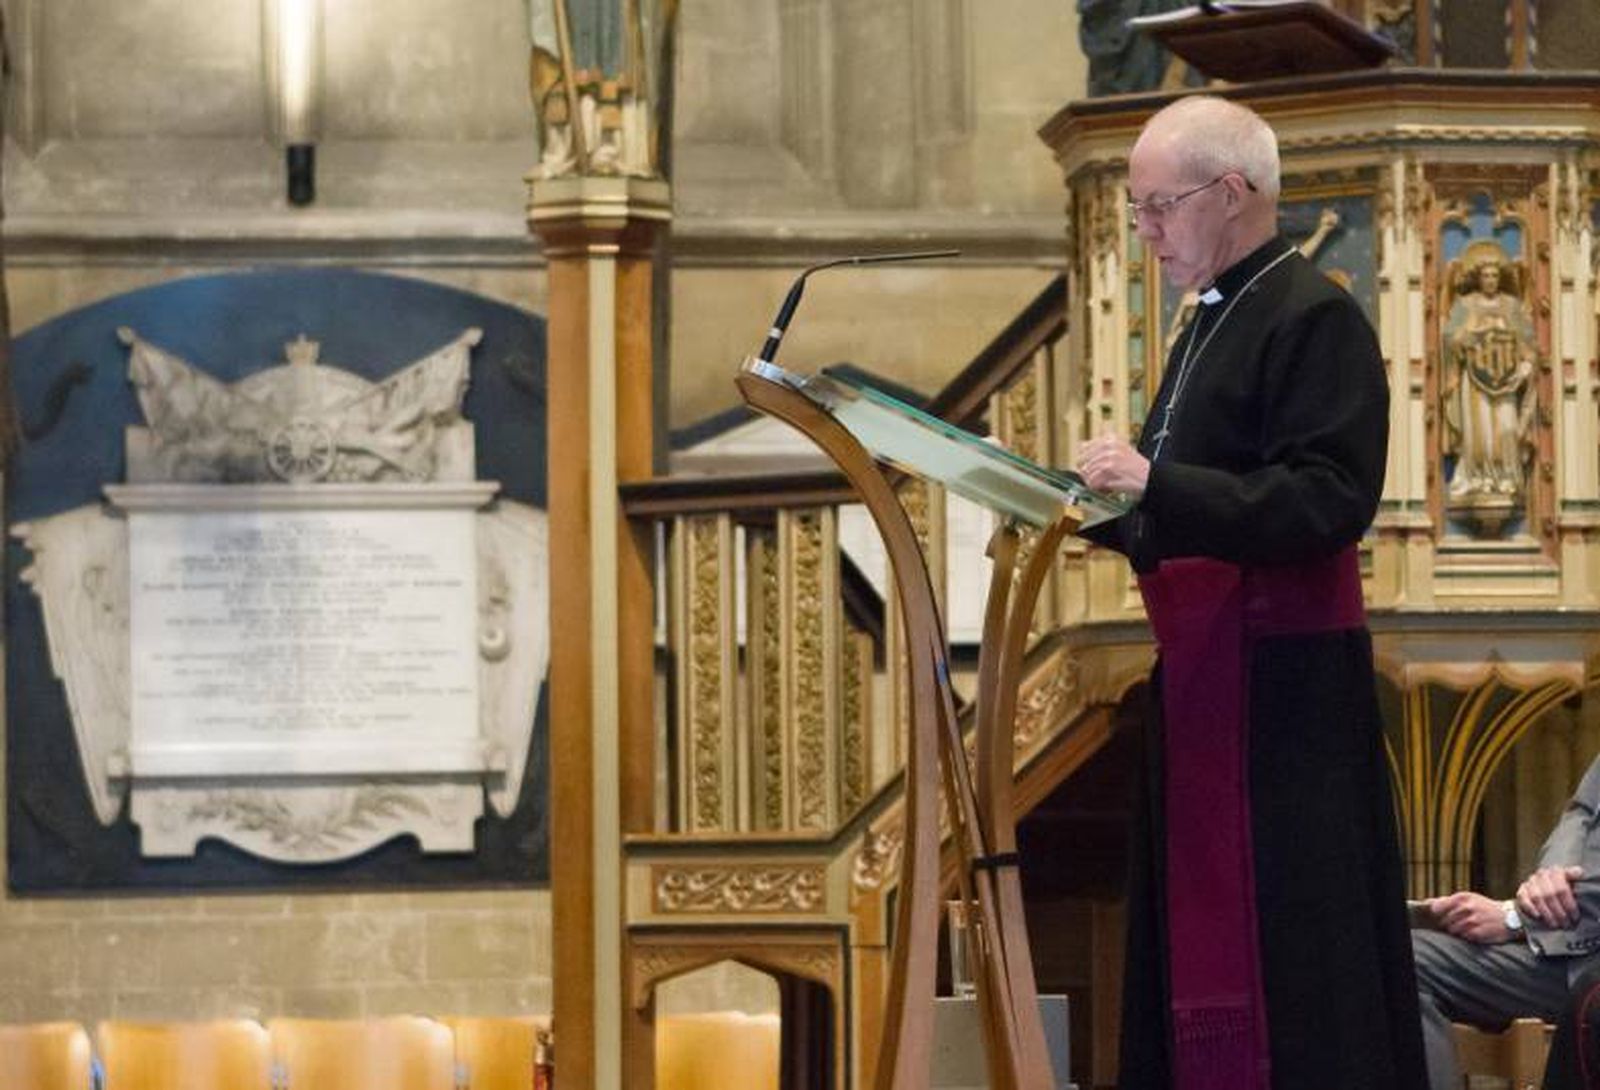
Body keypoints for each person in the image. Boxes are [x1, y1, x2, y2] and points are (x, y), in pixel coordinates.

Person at [1075, 94, 1426, 1089]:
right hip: (1207, 681)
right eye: (1138, 210)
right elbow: (1191, 504)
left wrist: (1154, 486)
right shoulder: (1206, 322)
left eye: (1159, 207)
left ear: (1231, 193)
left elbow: (1328, 500)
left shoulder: (1314, 317)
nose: (1146, 232)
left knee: (1297, 963)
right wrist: (1086, 510)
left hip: (1285, 704)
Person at [1411, 755, 1600, 1090]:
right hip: (1566, 947)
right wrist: (1552, 875)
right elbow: (1582, 811)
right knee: (1400, 955)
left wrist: (1516, 918)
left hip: (1590, 969)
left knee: (1407, 962)